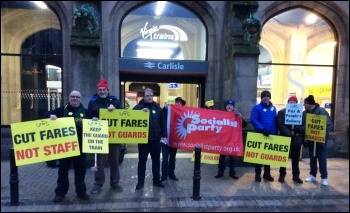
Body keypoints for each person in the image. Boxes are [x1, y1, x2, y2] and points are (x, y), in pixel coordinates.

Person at [45, 90, 96, 203]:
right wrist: (51, 116)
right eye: (72, 97)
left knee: (80, 170)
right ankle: (60, 193)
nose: (75, 99)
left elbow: (95, 121)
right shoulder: (62, 110)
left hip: (80, 147)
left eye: (77, 97)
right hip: (65, 147)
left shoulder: (86, 113)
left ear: (80, 99)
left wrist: (94, 120)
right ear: (69, 98)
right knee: (63, 170)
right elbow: (46, 114)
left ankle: (81, 192)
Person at [89, 79, 123, 194]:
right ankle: (98, 183)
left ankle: (115, 183)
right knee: (100, 163)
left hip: (114, 137)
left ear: (108, 90)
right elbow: (89, 115)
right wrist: (92, 119)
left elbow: (123, 115)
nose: (102, 91)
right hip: (99, 137)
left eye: (104, 90)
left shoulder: (116, 101)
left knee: (114, 161)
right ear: (97, 91)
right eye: (100, 90)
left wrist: (115, 111)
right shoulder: (93, 102)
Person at [133, 88, 167, 189]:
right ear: (143, 97)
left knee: (156, 161)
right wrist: (140, 111)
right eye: (147, 96)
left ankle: (156, 180)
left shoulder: (157, 108)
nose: (149, 97)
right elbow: (132, 115)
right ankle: (140, 182)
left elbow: (163, 121)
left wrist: (164, 134)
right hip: (143, 140)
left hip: (156, 140)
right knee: (142, 161)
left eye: (151, 95)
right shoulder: (138, 107)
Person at [301, 95, 334, 186]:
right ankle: (312, 174)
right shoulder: (305, 113)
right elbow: (303, 124)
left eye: (305, 103)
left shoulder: (322, 111)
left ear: (309, 104)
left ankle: (324, 177)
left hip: (321, 140)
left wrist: (322, 133)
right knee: (312, 157)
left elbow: (329, 125)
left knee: (322, 158)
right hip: (311, 139)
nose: (304, 105)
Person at [215, 100, 248, 180]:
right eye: (228, 105)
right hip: (223, 140)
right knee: (222, 157)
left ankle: (232, 172)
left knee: (232, 158)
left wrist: (240, 117)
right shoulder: (222, 115)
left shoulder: (236, 115)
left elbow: (244, 125)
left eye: (231, 105)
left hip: (232, 140)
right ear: (225, 107)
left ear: (233, 107)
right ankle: (220, 172)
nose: (229, 106)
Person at [250, 90, 277, 182]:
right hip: (260, 135)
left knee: (268, 157)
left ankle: (267, 174)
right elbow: (253, 119)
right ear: (261, 98)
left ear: (270, 97)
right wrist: (262, 129)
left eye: (268, 96)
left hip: (271, 135)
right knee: (258, 157)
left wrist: (275, 132)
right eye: (264, 96)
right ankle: (258, 174)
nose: (266, 98)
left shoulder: (273, 108)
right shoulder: (256, 108)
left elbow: (274, 121)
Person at [276, 96, 303, 184]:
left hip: (296, 138)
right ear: (288, 102)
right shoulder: (281, 112)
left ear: (296, 103)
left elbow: (303, 125)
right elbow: (280, 125)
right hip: (285, 137)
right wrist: (289, 133)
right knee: (283, 158)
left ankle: (296, 176)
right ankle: (282, 174)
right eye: (290, 101)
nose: (292, 102)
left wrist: (299, 129)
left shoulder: (300, 113)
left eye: (294, 101)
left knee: (295, 159)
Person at [161, 97, 186, 181]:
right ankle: (164, 175)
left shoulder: (183, 113)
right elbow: (162, 115)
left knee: (172, 158)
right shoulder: (169, 110)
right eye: (177, 102)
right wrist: (164, 108)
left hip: (175, 139)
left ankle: (171, 173)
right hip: (166, 138)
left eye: (180, 102)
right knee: (165, 158)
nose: (178, 104)